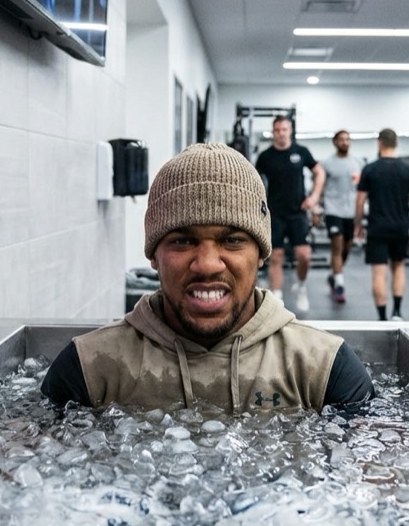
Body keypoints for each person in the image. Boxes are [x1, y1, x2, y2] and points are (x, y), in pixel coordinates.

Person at [42, 143, 373, 412]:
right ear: (153, 255)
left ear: (261, 253)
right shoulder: (88, 370)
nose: (208, 264)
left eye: (232, 240)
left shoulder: (324, 370)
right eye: (183, 241)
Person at [253, 116, 325, 313]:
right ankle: (277, 299)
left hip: (298, 213)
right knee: (275, 256)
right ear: (273, 132)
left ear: (290, 131)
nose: (281, 133)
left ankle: (301, 287)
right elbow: (253, 179)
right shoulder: (266, 156)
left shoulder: (301, 152)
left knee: (304, 256)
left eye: (284, 129)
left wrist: (314, 197)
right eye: (277, 130)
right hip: (275, 214)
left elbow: (320, 172)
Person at [354, 129, 409, 321]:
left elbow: (360, 202)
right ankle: (397, 312)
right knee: (398, 267)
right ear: (396, 143)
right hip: (400, 227)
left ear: (379, 143)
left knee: (379, 272)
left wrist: (358, 226)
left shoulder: (369, 169)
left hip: (377, 227)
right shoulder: (408, 169)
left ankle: (382, 318)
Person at [320, 130, 365, 304]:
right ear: (335, 142)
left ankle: (334, 275)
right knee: (337, 247)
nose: (345, 142)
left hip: (351, 212)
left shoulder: (358, 163)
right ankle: (339, 285)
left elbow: (362, 189)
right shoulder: (327, 164)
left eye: (347, 139)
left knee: (346, 248)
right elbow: (321, 187)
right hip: (333, 210)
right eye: (341, 139)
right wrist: (317, 209)